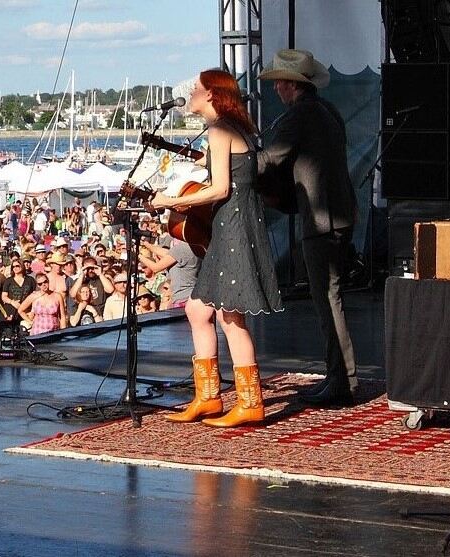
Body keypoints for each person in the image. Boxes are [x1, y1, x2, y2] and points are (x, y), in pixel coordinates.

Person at [147, 68, 283, 427]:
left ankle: (250, 403)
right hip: (232, 224)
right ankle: (208, 397)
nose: (190, 94)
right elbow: (227, 174)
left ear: (210, 94)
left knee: (230, 315)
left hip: (235, 226)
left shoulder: (221, 129)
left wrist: (172, 200)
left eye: (196, 89)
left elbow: (221, 188)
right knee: (197, 309)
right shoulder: (228, 129)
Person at [257, 49, 360, 406]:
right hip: (339, 213)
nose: (275, 90)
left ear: (289, 84)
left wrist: (234, 165)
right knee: (330, 297)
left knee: (327, 299)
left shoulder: (299, 115)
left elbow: (272, 160)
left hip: (322, 219)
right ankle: (340, 377)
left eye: (277, 84)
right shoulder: (327, 110)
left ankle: (342, 382)